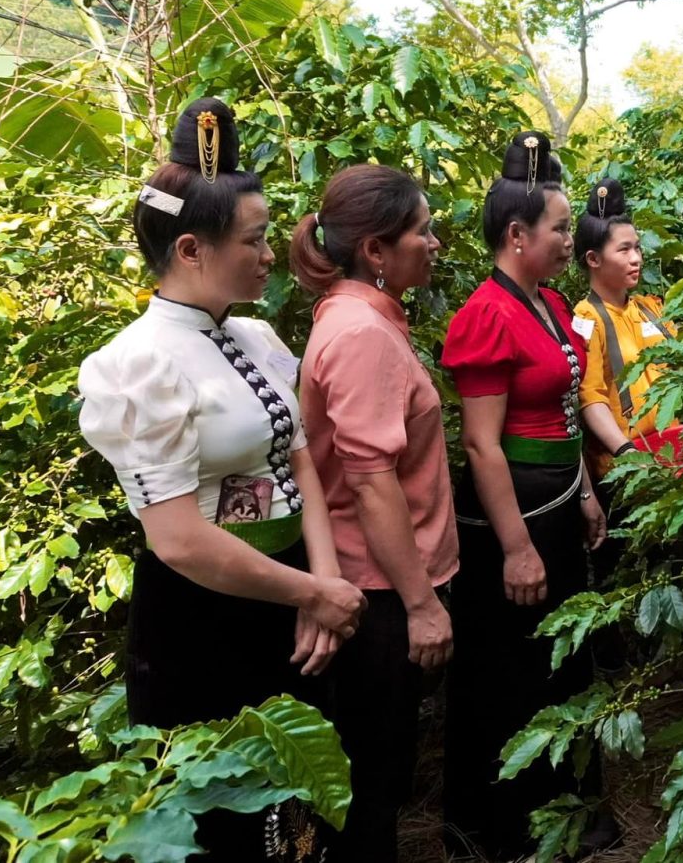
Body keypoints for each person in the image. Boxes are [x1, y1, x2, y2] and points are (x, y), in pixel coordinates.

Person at [77, 98, 366, 862]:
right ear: (190, 248)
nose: (272, 253)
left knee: (301, 807)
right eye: (255, 238)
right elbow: (178, 539)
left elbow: (298, 459)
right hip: (203, 621)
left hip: (293, 600)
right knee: (230, 817)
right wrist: (312, 593)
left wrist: (323, 586)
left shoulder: (256, 335)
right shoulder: (138, 363)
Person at [439, 131, 611, 859]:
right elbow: (482, 444)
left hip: (557, 505)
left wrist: (584, 493)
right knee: (511, 671)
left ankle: (567, 813)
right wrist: (514, 547)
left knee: (560, 663)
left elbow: (564, 410)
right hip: (515, 522)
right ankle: (504, 828)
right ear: (517, 234)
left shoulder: (546, 302)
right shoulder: (488, 313)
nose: (572, 240)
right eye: (561, 228)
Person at [289, 165, 458, 863]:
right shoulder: (361, 332)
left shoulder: (362, 316)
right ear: (376, 250)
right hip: (381, 592)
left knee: (376, 776)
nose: (435, 242)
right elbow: (369, 482)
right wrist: (422, 604)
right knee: (370, 786)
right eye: (423, 230)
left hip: (382, 583)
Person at [571, 177, 678, 475]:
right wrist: (626, 453)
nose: (636, 259)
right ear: (593, 259)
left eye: (637, 248)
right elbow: (590, 397)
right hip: (626, 467)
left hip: (672, 453)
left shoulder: (650, 308)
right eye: (624, 250)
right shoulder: (587, 318)